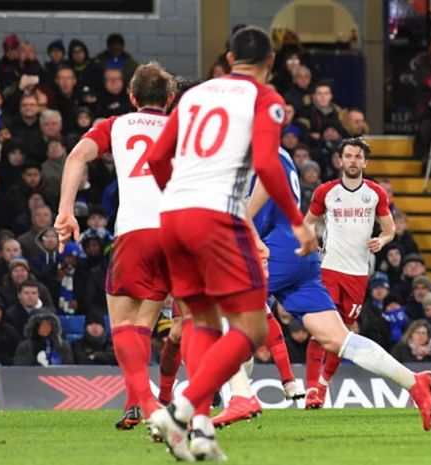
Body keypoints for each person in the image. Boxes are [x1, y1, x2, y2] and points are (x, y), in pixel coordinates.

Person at [143, 26, 317, 462]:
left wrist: (177, 199)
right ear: (271, 63)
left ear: (227, 58)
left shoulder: (195, 95)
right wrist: (298, 222)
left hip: (173, 216)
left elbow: (157, 158)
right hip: (217, 218)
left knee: (202, 323)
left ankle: (201, 431)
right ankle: (179, 412)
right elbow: (266, 164)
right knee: (252, 329)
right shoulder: (265, 99)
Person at [231, 145, 431, 427]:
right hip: (302, 257)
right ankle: (415, 382)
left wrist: (248, 220)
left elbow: (267, 180)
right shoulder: (282, 153)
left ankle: (238, 396)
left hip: (275, 250)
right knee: (337, 339)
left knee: (223, 312)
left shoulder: (257, 152)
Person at [53, 62, 176, 430]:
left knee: (123, 325)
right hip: (174, 233)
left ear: (132, 96)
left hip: (134, 231)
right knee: (145, 324)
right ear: (170, 99)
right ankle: (135, 402)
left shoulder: (115, 124)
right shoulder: (180, 126)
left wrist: (66, 213)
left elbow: (76, 157)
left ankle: (148, 404)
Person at [303, 137, 396, 404]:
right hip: (329, 269)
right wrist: (311, 245)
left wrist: (382, 240)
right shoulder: (326, 192)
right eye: (348, 156)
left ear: (365, 162)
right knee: (321, 329)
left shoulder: (375, 193)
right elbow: (307, 223)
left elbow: (389, 230)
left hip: (358, 273)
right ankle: (311, 388)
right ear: (340, 160)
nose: (353, 161)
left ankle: (322, 384)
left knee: (342, 333)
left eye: (358, 157)